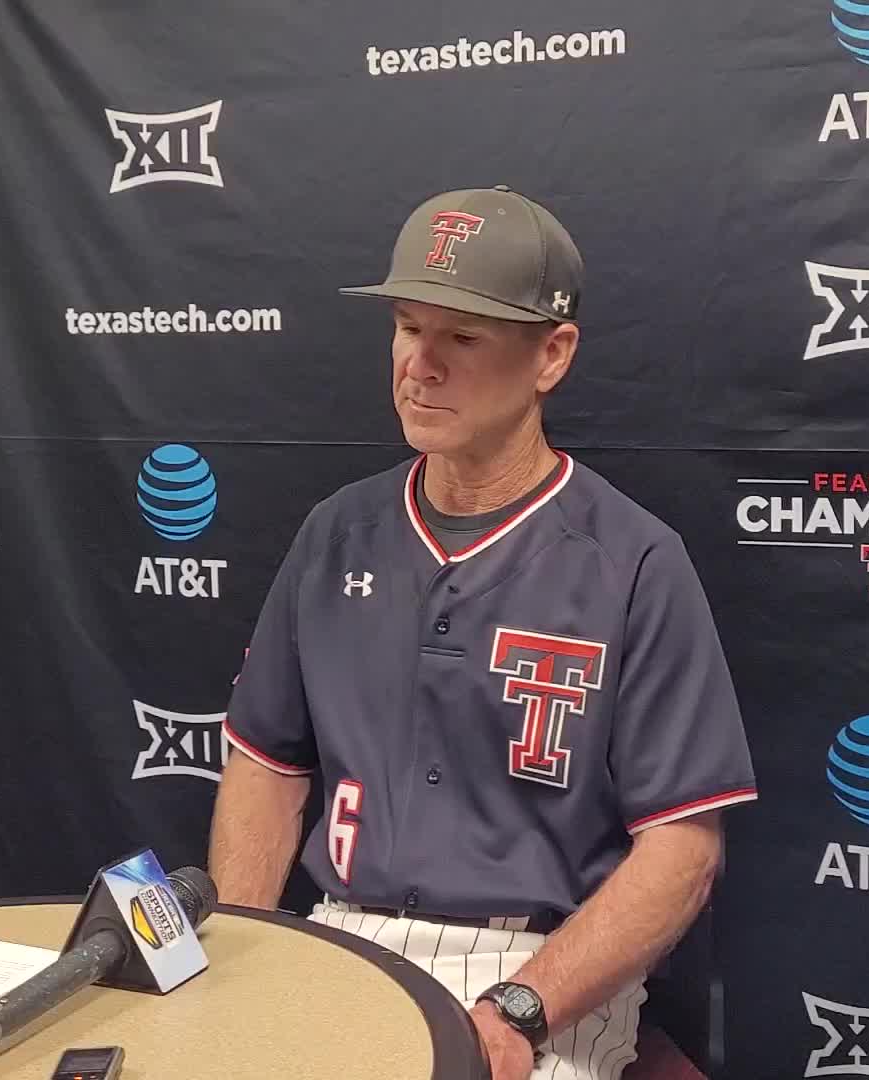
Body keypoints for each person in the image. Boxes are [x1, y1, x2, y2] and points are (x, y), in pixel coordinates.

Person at [208, 186, 757, 1080]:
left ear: (552, 354)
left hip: (541, 972)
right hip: (341, 935)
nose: (419, 364)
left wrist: (520, 1012)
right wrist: (233, 946)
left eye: (461, 337)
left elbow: (684, 851)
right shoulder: (337, 532)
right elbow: (268, 764)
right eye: (407, 326)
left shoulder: (633, 561)